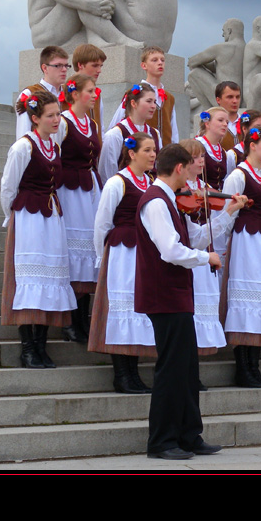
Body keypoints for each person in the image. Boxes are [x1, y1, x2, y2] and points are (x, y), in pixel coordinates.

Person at [136, 144, 243, 460]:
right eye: (190, 167)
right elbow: (170, 250)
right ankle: (161, 441)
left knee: (186, 367)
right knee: (171, 369)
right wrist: (205, 257)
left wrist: (227, 213)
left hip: (176, 294)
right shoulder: (155, 202)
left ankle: (189, 435)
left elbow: (195, 236)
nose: (193, 175)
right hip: (163, 295)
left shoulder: (170, 201)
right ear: (180, 168)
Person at [0, 89, 77, 369]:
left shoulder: (53, 146)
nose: (57, 119)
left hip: (51, 217)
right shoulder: (24, 147)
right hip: (30, 216)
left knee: (50, 280)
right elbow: (8, 187)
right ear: (35, 118)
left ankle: (42, 346)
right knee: (31, 279)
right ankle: (28, 348)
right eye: (51, 115)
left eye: (58, 114)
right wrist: (14, 215)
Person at [88, 132, 159, 393]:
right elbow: (102, 223)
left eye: (154, 150)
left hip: (144, 253)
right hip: (122, 250)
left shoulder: (151, 182)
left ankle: (133, 372)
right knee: (122, 308)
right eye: (147, 150)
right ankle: (122, 374)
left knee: (137, 309)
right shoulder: (117, 183)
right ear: (132, 153)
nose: (153, 155)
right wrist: (101, 257)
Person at [221, 127, 261, 388]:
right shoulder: (238, 175)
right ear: (252, 145)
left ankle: (254, 367)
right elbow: (227, 214)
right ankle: (243, 368)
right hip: (246, 241)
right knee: (246, 299)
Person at [179, 138, 233, 388]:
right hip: (188, 256)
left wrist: (229, 209)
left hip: (204, 254)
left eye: (202, 156)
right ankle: (186, 372)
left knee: (201, 315)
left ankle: (193, 372)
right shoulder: (179, 189)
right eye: (196, 157)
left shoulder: (205, 186)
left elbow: (212, 226)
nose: (202, 161)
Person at [54, 73, 103, 344]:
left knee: (87, 251)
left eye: (95, 91)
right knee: (74, 253)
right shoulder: (64, 122)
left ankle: (83, 318)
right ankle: (70, 321)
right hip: (70, 190)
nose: (95, 95)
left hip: (89, 190)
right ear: (74, 94)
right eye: (90, 90)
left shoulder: (92, 124)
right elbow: (54, 153)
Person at [107, 46, 178, 145]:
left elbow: (173, 130)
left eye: (162, 60)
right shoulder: (134, 93)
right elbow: (116, 122)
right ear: (144, 65)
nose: (160, 63)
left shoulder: (169, 98)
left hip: (164, 154)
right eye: (154, 60)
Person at [99, 84, 162, 185]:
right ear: (134, 103)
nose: (153, 106)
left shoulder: (155, 134)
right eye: (148, 101)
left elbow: (158, 167)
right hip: (126, 192)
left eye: (154, 102)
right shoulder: (116, 134)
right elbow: (107, 173)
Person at [187, 20, 246, 112]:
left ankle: (209, 110)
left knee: (194, 73)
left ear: (229, 31)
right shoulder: (246, 48)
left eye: (223, 31)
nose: (223, 35)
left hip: (223, 94)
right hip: (239, 97)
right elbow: (221, 68)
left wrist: (201, 63)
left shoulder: (222, 48)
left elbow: (192, 62)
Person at [15, 45, 69, 140]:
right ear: (45, 68)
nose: (64, 69)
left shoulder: (69, 94)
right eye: (58, 65)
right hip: (40, 152)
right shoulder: (29, 94)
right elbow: (23, 135)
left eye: (66, 65)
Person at [70, 44, 108, 129]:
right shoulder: (64, 92)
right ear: (80, 65)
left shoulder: (97, 94)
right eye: (95, 65)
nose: (99, 70)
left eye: (100, 66)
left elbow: (100, 127)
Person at [195, 106, 231, 191]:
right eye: (220, 120)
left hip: (218, 200)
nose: (225, 124)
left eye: (227, 122)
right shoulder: (197, 145)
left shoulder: (223, 152)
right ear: (207, 123)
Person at [214, 80, 243, 150]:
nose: (235, 101)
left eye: (237, 97)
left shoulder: (248, 123)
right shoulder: (210, 125)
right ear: (218, 100)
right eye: (230, 97)